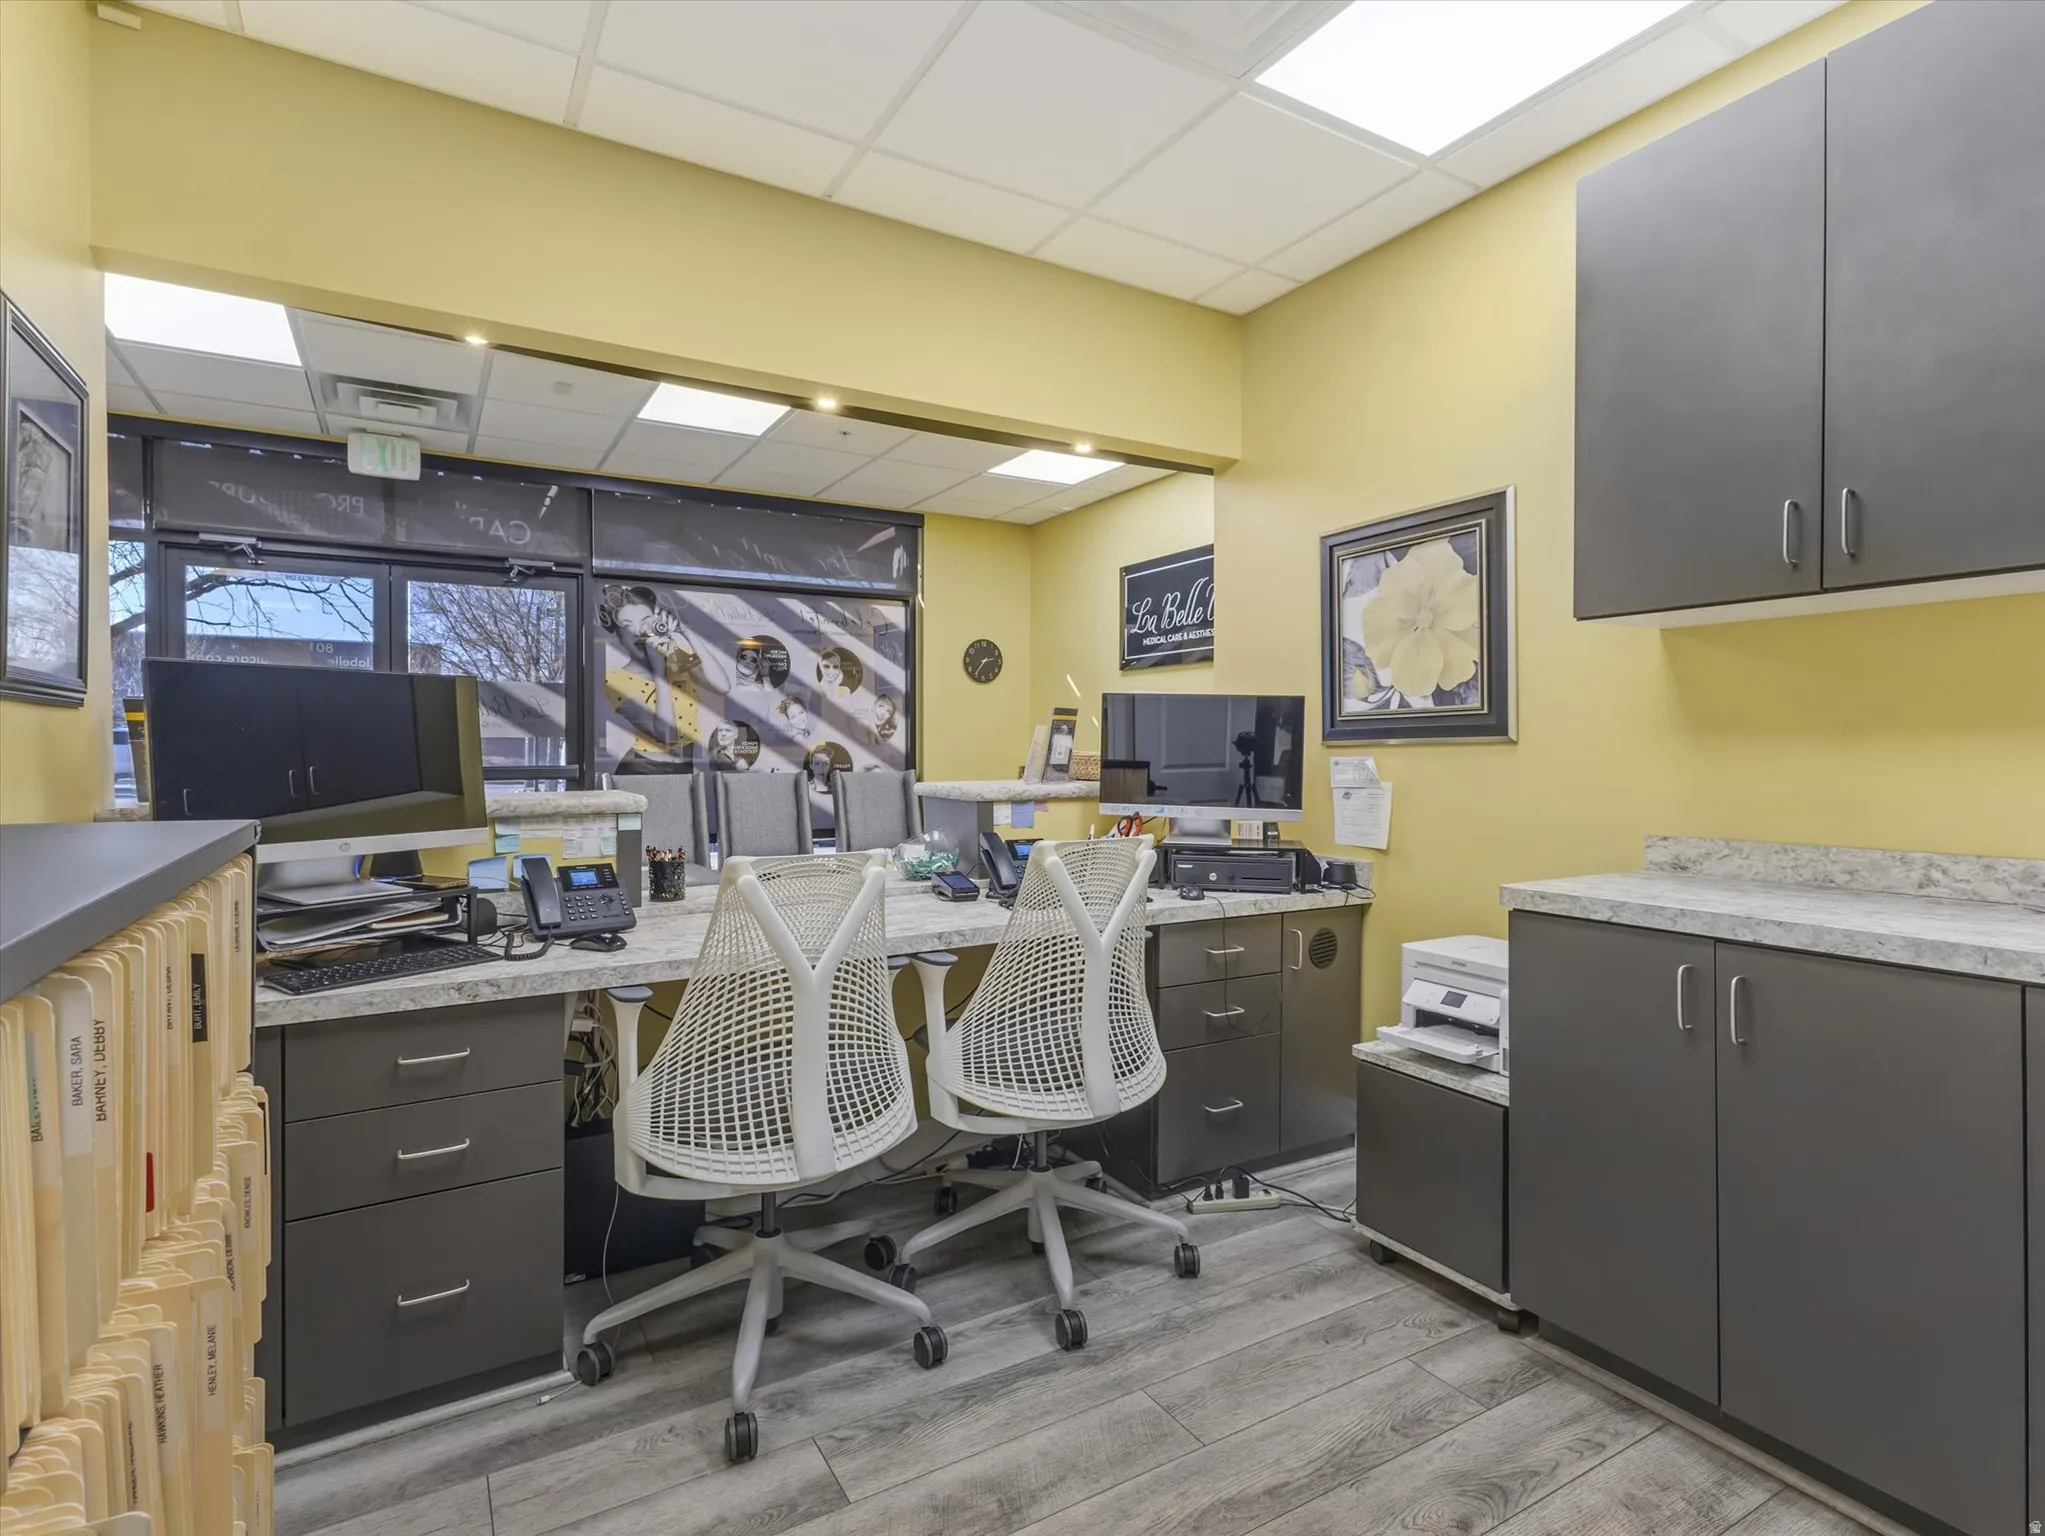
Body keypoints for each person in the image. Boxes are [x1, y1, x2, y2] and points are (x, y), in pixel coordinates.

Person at [599, 584, 731, 774]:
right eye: (627, 625)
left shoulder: (675, 659)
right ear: (619, 636)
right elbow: (667, 735)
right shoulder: (617, 681)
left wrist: (685, 632)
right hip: (644, 770)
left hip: (684, 766)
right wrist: (659, 672)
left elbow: (722, 686)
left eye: (645, 621)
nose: (638, 631)